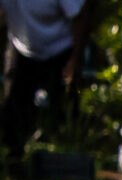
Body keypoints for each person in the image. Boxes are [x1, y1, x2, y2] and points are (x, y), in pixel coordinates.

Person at [1, 0, 89, 154]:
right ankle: (13, 161)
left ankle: (64, 158)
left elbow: (80, 17)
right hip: (21, 45)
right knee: (13, 108)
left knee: (62, 110)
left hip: (59, 47)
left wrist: (74, 60)